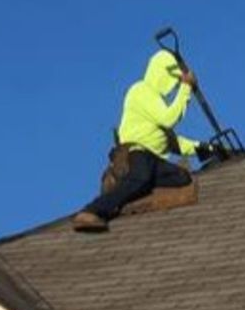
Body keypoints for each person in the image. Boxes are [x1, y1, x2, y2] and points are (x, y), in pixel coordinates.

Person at [72, 50, 210, 232]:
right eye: (174, 80)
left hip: (153, 159)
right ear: (160, 73)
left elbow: (176, 143)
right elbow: (169, 118)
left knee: (182, 177)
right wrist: (185, 88)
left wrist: (209, 148)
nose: (173, 85)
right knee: (141, 176)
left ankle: (135, 188)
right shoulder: (140, 91)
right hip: (135, 153)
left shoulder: (157, 105)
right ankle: (92, 211)